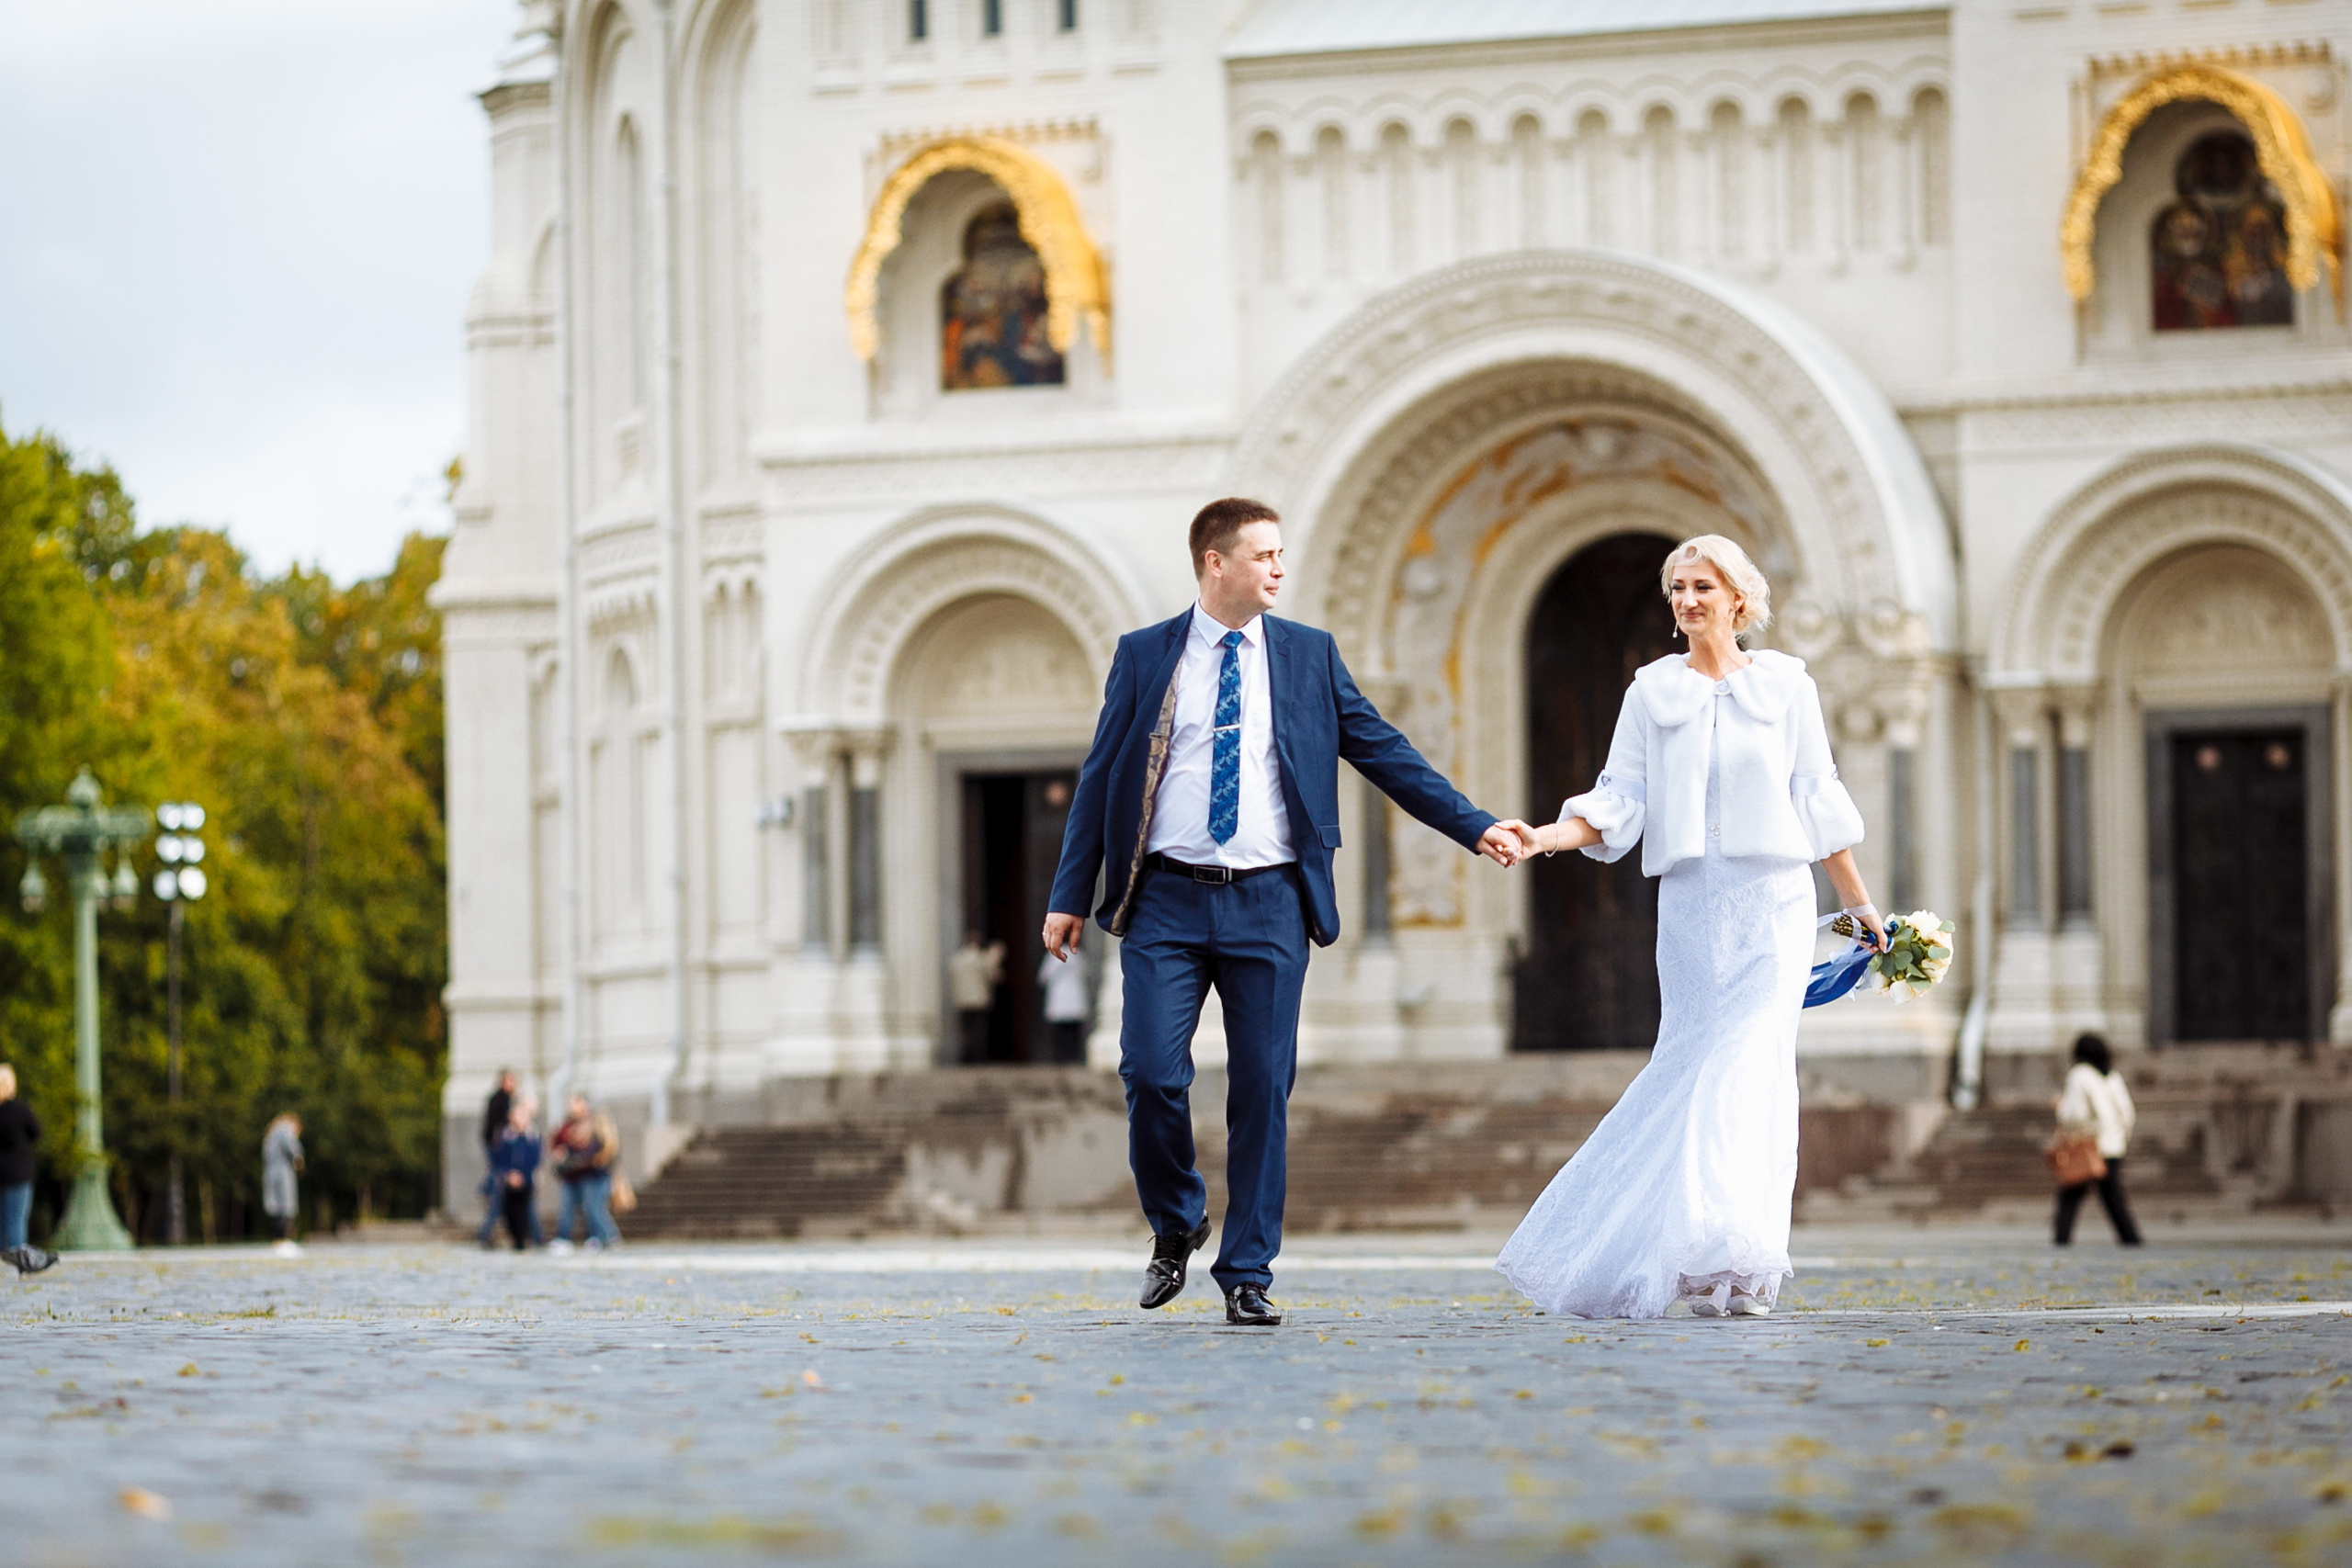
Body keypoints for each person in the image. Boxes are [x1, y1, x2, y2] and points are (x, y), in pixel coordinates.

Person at [1043, 497, 1523, 1328]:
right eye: (1262, 554)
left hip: (1270, 900)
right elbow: (1100, 776)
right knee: (1151, 1073)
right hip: (1164, 897)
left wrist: (1475, 825)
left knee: (1263, 1088)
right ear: (1214, 564)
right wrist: (1067, 894)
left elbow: (1383, 750)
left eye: (1280, 554)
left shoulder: (1308, 656)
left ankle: (1248, 1269)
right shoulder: (1145, 654)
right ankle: (1177, 1219)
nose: (1278, 568)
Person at [1492, 536, 1886, 1321]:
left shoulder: (1788, 686)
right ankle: (1698, 1251)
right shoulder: (1650, 692)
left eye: (1703, 585)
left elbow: (1817, 795)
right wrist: (1545, 835)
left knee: (1749, 1067)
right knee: (1692, 1064)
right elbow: (1620, 798)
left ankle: (1735, 1258)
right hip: (1692, 906)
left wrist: (1859, 904)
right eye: (1677, 588)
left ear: (1739, 598)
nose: (1687, 600)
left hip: (1773, 903)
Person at [2054, 1033, 2143, 1247]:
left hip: (2090, 1145)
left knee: (2071, 1195)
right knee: (2113, 1197)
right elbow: (2128, 1113)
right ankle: (2130, 1238)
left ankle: (2061, 1240)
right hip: (2113, 1146)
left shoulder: (2079, 1075)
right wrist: (2120, 1137)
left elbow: (2074, 1115)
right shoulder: (2112, 1076)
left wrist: (2059, 1106)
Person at [0, 1065, 57, 1276]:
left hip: (1, 1173)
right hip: (19, 1172)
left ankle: (4, 1262)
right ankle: (20, 1264)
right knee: (16, 1219)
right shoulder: (21, 1110)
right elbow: (37, 1132)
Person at [548, 1095, 621, 1252]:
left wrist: (576, 1158)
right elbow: (556, 1143)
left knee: (593, 1208)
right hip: (572, 1175)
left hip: (593, 1174)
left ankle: (605, 1236)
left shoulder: (596, 1124)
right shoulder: (566, 1126)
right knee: (572, 1208)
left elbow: (600, 1149)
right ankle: (567, 1238)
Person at [489, 1099, 542, 1252]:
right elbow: (500, 1157)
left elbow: (534, 1159)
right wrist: (509, 1173)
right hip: (509, 1180)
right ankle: (516, 1237)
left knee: (526, 1211)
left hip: (526, 1181)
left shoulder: (532, 1136)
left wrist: (523, 1175)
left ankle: (530, 1239)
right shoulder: (506, 1135)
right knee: (509, 1210)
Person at [946, 932, 1005, 1064]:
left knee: (966, 1032)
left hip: (962, 1000)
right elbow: (995, 976)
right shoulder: (982, 959)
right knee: (980, 1031)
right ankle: (979, 1058)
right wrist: (996, 957)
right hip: (980, 1000)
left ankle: (965, 1057)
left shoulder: (957, 959)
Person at [476, 1068, 517, 1247]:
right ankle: (484, 1188)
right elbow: (496, 1125)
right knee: (497, 1184)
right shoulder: (500, 1099)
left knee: (497, 1185)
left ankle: (485, 1188)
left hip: (497, 1146)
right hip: (498, 1147)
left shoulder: (503, 1099)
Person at [1038, 947, 1092, 1065]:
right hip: (1075, 1002)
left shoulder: (1052, 956)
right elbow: (1087, 974)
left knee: (1059, 1036)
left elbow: (1043, 978)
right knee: (1073, 1036)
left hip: (1058, 1003)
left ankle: (1059, 1059)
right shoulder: (1078, 955)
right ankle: (1074, 1059)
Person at [261, 1113, 304, 1257]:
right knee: (286, 1206)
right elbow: (294, 1149)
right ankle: (283, 1240)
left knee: (276, 1206)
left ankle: (278, 1241)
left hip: (270, 1173)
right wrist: (299, 1161)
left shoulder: (271, 1134)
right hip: (283, 1173)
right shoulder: (284, 1130)